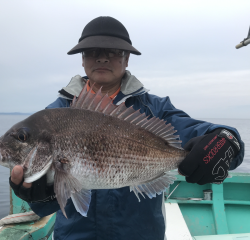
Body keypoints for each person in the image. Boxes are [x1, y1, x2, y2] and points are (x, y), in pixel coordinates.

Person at [10, 16, 244, 240]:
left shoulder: (155, 109)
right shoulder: (56, 114)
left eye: (113, 51)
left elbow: (214, 136)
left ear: (126, 59)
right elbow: (52, 199)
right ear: (82, 59)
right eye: (93, 52)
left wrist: (225, 142)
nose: (102, 58)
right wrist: (38, 196)